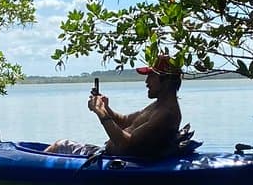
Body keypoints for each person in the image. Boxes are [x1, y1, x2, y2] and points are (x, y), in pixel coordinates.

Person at [45, 54, 184, 159]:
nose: (146, 81)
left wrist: (101, 114)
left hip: (117, 159)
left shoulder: (166, 114)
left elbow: (125, 143)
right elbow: (125, 121)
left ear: (166, 81)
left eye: (151, 76)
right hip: (108, 154)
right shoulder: (159, 105)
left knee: (60, 145)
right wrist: (106, 108)